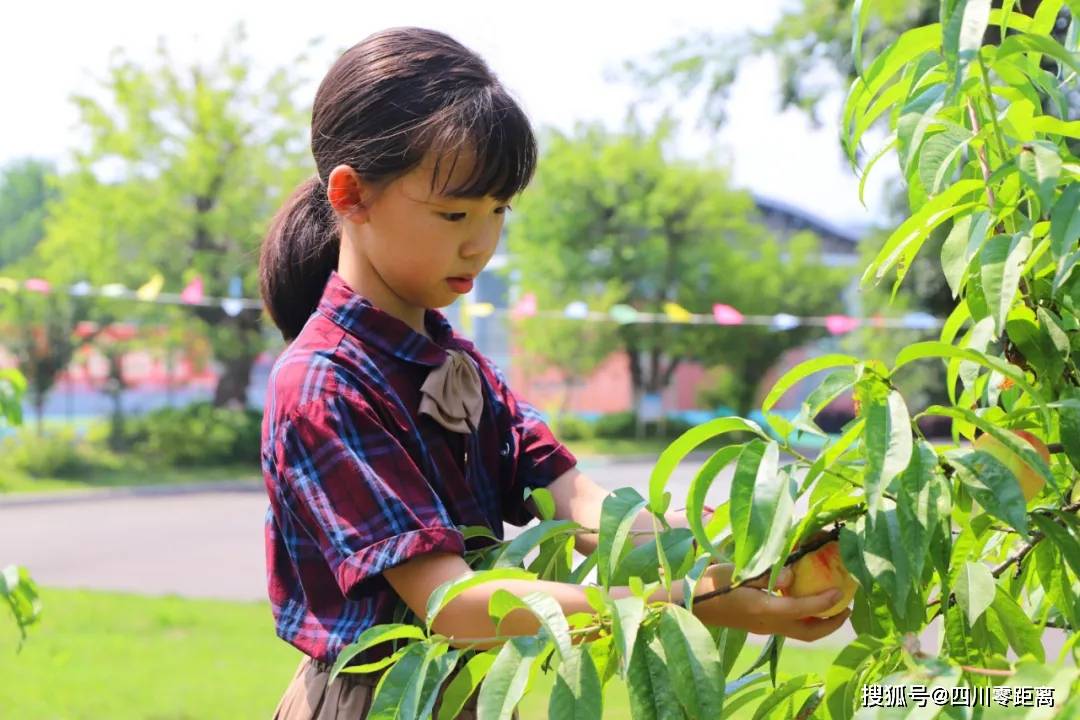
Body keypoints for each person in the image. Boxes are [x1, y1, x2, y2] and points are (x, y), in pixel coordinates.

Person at [259, 26, 850, 719]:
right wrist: (696, 602)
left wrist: (756, 545)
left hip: (466, 695)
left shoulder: (455, 364)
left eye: (497, 210)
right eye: (454, 212)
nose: (480, 242)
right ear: (352, 196)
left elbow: (574, 502)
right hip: (375, 703)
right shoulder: (325, 386)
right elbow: (454, 605)